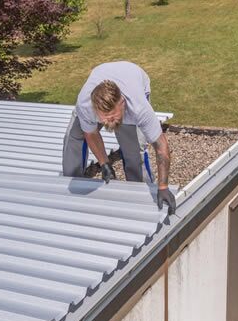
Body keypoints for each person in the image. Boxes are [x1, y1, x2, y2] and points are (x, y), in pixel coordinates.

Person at [62, 61, 176, 213]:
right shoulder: (86, 106)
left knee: (134, 151)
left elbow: (161, 146)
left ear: (121, 103)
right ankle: (72, 183)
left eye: (112, 117)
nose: (108, 122)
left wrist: (163, 186)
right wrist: (104, 163)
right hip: (101, 76)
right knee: (73, 138)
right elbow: (91, 133)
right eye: (104, 118)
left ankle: (140, 192)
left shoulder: (138, 108)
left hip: (135, 77)